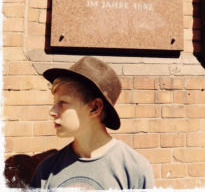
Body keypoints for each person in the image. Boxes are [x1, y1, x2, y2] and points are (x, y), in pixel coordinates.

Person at [29, 56, 154, 190]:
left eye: (63, 102)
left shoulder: (133, 169)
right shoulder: (47, 170)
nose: (52, 111)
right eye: (54, 103)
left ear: (95, 108)